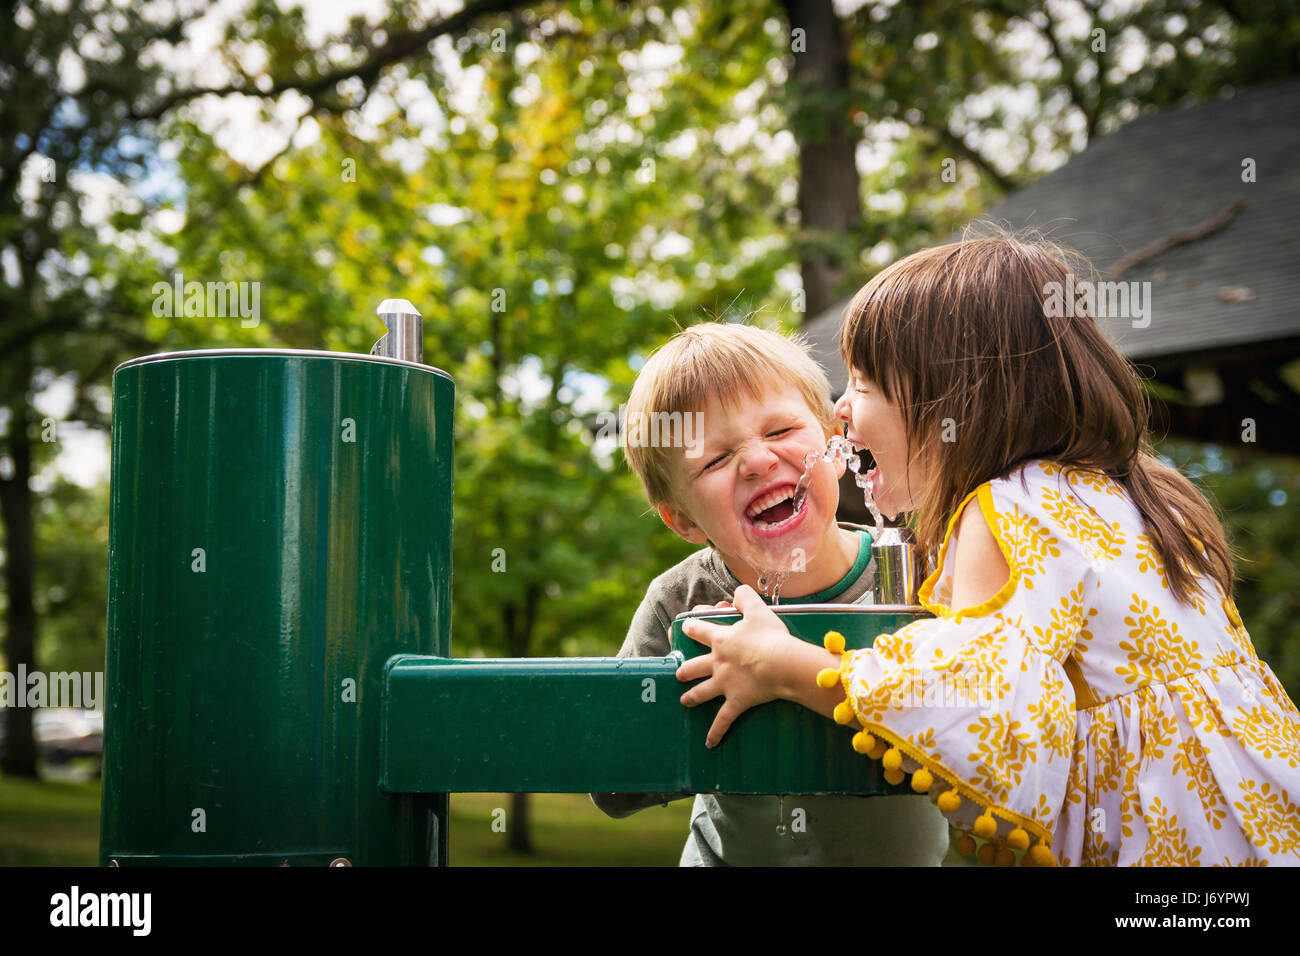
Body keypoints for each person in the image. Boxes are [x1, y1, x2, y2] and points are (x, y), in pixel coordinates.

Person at [677, 232, 1300, 866]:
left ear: (948, 398)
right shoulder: (1134, 493)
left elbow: (973, 704)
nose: (841, 411)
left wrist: (782, 664)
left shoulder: (1006, 511)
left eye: (863, 385)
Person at [589, 321, 950, 866]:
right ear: (683, 518)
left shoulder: (922, 567)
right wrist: (694, 703)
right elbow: (614, 785)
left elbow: (978, 717)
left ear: (834, 443)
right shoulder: (684, 602)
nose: (757, 461)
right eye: (713, 460)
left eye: (780, 431)